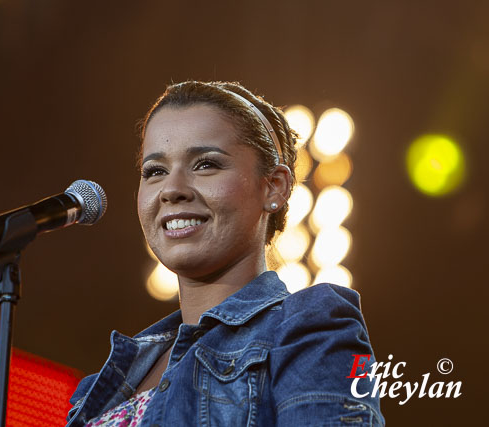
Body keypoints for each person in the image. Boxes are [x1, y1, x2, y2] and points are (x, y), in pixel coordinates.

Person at [66, 81, 384, 426]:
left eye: (205, 164)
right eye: (155, 171)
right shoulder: (100, 385)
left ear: (274, 186)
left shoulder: (309, 327)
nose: (171, 190)